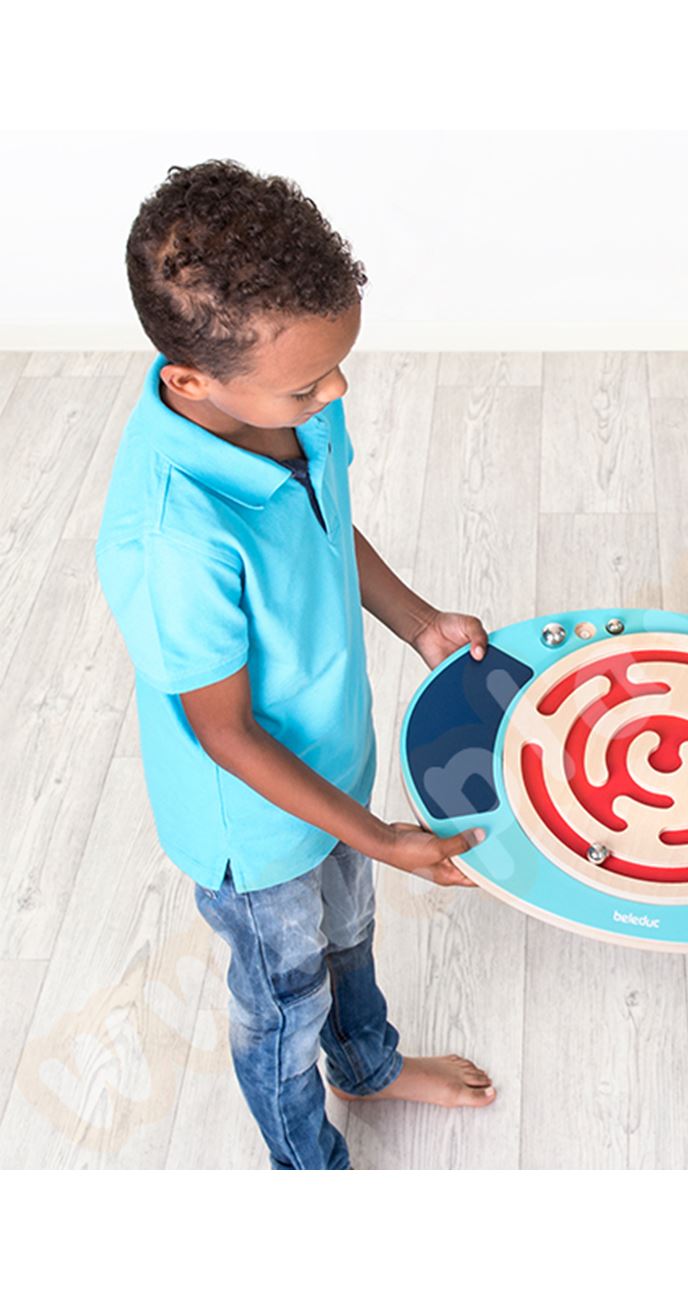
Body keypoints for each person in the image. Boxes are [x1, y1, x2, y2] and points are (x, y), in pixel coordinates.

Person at [97, 159, 496, 1170]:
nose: (336, 393)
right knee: (285, 999)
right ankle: (307, 1163)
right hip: (255, 824)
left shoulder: (289, 406)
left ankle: (366, 1066)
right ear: (190, 382)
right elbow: (224, 733)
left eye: (335, 369)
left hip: (331, 769)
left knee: (350, 931)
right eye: (311, 383)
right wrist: (380, 835)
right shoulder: (172, 540)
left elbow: (321, 526)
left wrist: (417, 622)